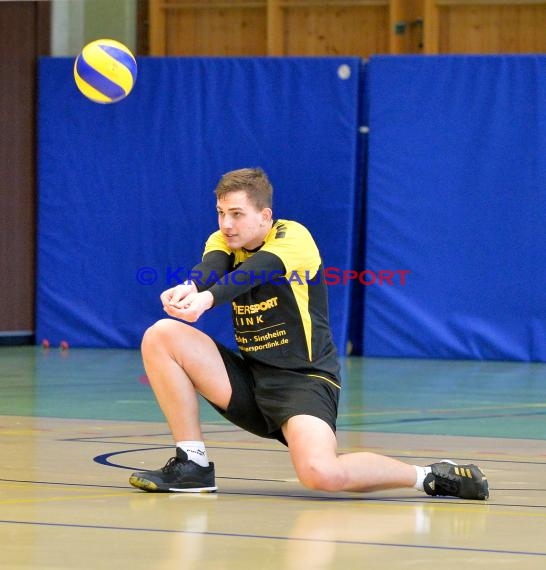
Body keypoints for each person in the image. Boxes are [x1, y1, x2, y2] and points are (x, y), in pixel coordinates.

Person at [129, 167, 489, 500]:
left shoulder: (293, 237)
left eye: (237, 214)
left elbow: (253, 273)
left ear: (265, 216)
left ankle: (430, 475)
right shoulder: (224, 240)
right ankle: (193, 465)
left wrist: (206, 299)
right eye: (221, 213)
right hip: (251, 379)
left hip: (303, 381)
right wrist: (190, 287)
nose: (227, 223)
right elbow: (213, 267)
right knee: (162, 334)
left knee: (321, 473)